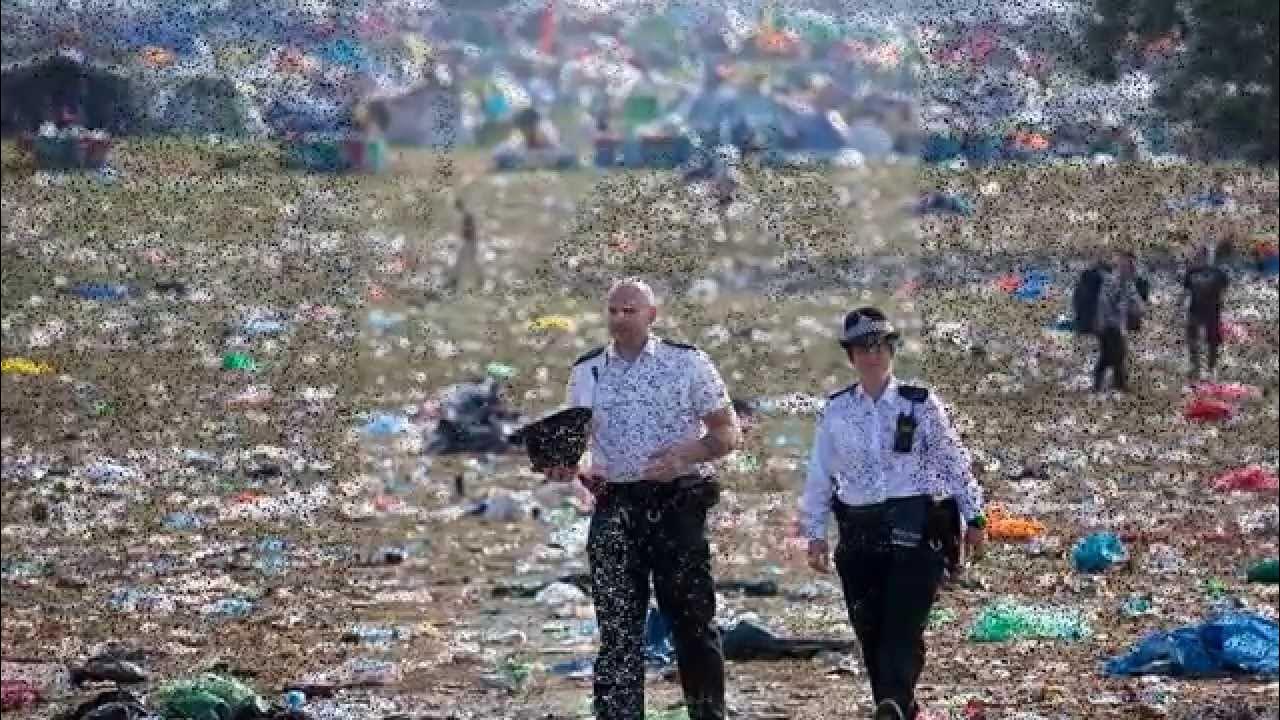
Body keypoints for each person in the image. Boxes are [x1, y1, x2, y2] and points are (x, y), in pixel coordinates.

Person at [546, 278, 741, 720]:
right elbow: (574, 444)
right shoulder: (587, 371)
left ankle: (708, 713)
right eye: (613, 310)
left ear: (652, 315)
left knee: (693, 626)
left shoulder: (686, 365)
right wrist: (563, 466)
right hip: (617, 507)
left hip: (677, 504)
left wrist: (684, 455)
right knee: (618, 631)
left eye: (629, 310)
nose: (619, 319)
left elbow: (728, 432)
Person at [798, 307, 986, 720]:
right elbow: (820, 474)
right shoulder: (837, 411)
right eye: (864, 348)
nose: (873, 355)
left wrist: (975, 518)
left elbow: (954, 461)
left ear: (891, 351)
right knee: (870, 629)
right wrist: (814, 533)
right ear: (851, 356)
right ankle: (898, 705)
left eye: (880, 346)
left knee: (903, 625)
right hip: (860, 530)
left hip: (915, 528)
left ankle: (894, 704)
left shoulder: (919, 405)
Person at [1093, 251, 1145, 393]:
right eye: (1126, 265)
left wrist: (1139, 309)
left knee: (1115, 355)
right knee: (1113, 354)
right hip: (1107, 324)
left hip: (1118, 324)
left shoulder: (1128, 283)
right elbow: (1103, 303)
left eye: (1130, 266)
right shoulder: (1111, 281)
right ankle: (1112, 384)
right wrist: (1102, 323)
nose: (1129, 269)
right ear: (1120, 265)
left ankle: (1116, 384)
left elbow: (1136, 301)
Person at [1183, 243, 1231, 381]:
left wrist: (1224, 307)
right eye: (1197, 255)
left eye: (1201, 255)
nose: (1199, 258)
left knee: (1213, 341)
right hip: (1194, 310)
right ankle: (1195, 366)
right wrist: (1179, 308)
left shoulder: (1218, 273)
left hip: (1212, 311)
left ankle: (1211, 368)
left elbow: (1226, 290)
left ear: (1207, 256)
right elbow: (1186, 291)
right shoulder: (1191, 272)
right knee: (1192, 339)